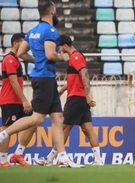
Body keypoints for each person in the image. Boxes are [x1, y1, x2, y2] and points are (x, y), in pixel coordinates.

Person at [0, 0, 83, 168]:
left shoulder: (32, 31)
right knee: (37, 118)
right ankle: (3, 135)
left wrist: (37, 60)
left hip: (45, 78)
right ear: (52, 11)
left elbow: (22, 53)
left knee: (58, 118)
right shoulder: (50, 31)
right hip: (45, 78)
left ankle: (63, 158)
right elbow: (51, 54)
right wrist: (63, 58)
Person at [33, 35, 103, 166]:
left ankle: (49, 159)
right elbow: (75, 79)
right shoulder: (76, 57)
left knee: (63, 128)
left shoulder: (75, 57)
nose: (58, 50)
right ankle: (99, 160)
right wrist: (63, 89)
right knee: (88, 129)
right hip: (79, 97)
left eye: (59, 47)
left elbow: (84, 75)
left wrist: (88, 94)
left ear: (65, 45)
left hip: (76, 98)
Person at [0, 34, 36, 167]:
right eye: (22, 43)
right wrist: (25, 100)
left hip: (17, 101)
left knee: (34, 122)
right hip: (10, 100)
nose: (25, 46)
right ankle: (3, 160)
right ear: (15, 43)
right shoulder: (9, 59)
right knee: (6, 129)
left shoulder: (16, 59)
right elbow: (13, 82)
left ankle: (18, 154)